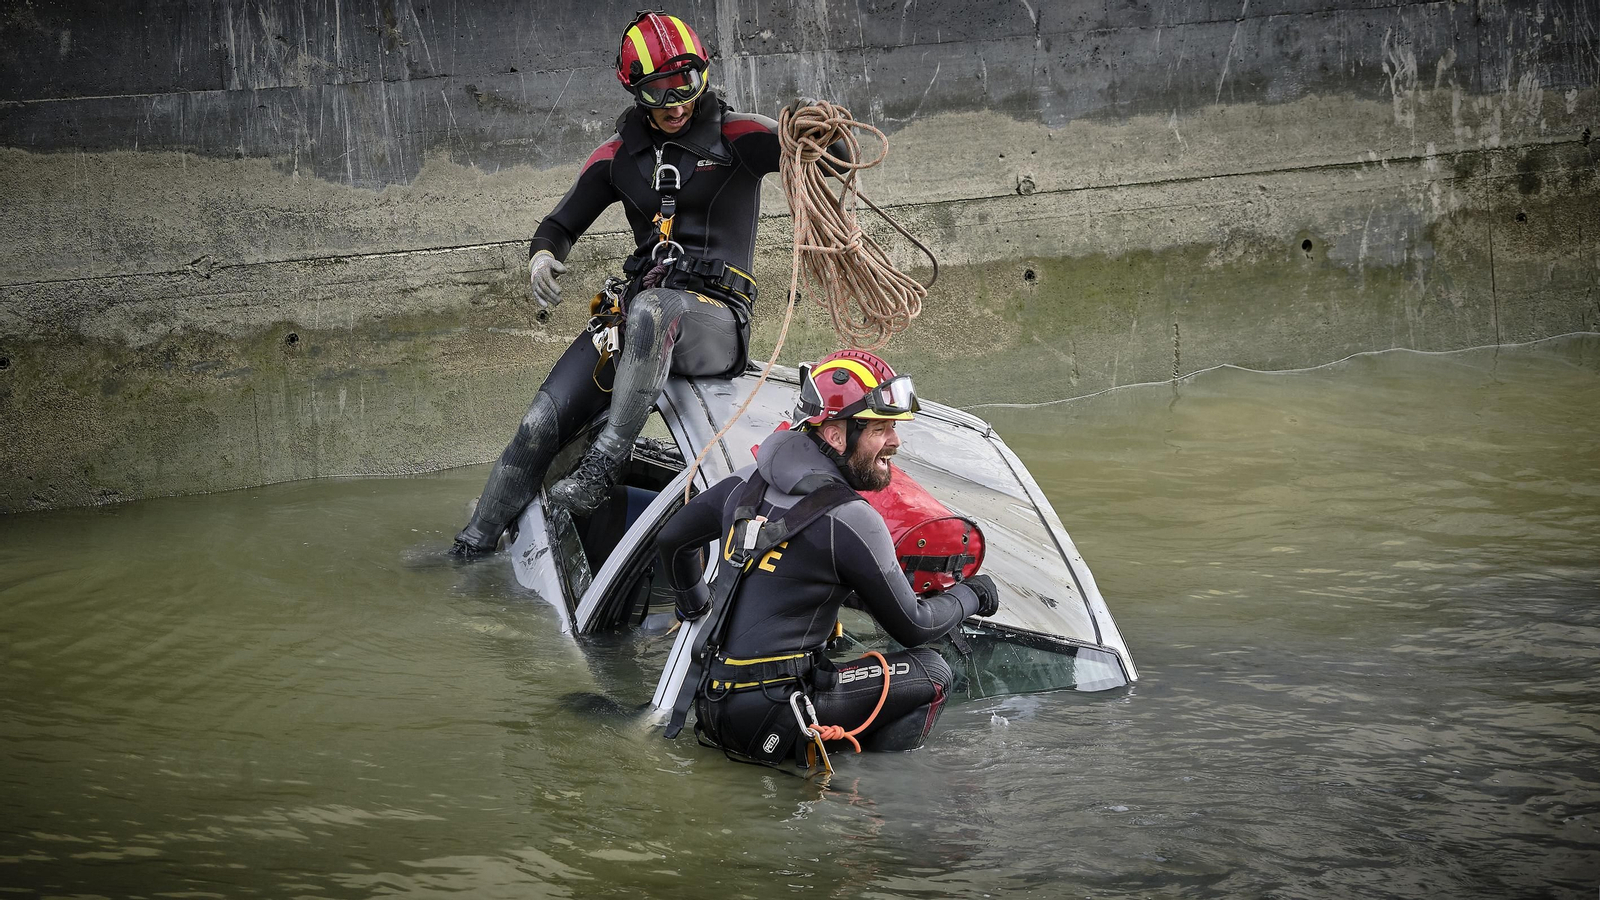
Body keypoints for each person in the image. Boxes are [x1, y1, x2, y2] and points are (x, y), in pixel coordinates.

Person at [452, 11, 795, 556]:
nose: (677, 101)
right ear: (636, 92)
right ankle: (470, 546)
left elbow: (832, 159)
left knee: (655, 310)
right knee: (539, 423)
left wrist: (815, 131)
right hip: (636, 318)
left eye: (685, 84)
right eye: (660, 91)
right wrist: (542, 257)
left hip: (714, 320)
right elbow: (559, 225)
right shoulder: (616, 158)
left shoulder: (741, 136)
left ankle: (602, 468)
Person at [654, 349, 1002, 766]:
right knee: (932, 671)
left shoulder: (746, 481)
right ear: (836, 435)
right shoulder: (850, 519)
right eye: (881, 429)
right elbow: (915, 625)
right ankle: (867, 802)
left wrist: (694, 602)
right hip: (775, 718)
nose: (896, 442)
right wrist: (974, 596)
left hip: (709, 706)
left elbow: (673, 540)